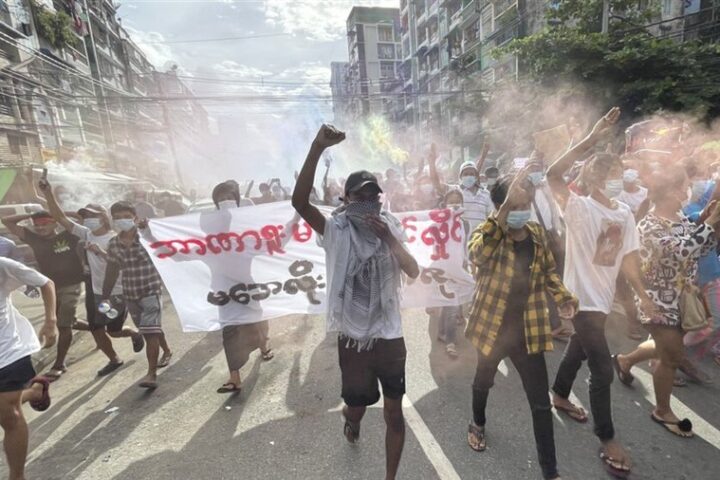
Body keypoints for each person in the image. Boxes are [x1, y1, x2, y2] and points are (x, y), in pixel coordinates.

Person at [292, 124, 419, 480]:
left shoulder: (390, 226)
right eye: (360, 197)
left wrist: (390, 240)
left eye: (374, 197)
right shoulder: (337, 230)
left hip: (390, 336)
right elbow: (300, 203)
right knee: (359, 404)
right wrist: (317, 147)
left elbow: (414, 270)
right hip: (353, 338)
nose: (369, 204)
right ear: (346, 200)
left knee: (394, 413)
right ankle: (352, 417)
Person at [546, 107, 659, 478]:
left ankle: (560, 393)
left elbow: (628, 260)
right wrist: (592, 136)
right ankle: (606, 436)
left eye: (616, 174)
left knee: (577, 352)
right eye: (608, 174)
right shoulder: (577, 208)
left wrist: (640, 297)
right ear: (593, 179)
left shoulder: (625, 214)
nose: (614, 180)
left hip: (603, 300)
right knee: (601, 367)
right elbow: (552, 175)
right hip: (579, 301)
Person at [465, 169, 577, 480]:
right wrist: (501, 215)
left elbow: (549, 272)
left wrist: (563, 297)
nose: (522, 211)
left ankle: (550, 471)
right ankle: (477, 422)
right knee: (483, 381)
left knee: (541, 404)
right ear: (501, 207)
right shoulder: (486, 234)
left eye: (525, 204)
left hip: (529, 330)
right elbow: (478, 255)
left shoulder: (536, 234)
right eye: (514, 206)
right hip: (493, 328)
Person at [612, 166, 720, 438]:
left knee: (666, 347)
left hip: (682, 298)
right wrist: (707, 226)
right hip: (656, 300)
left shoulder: (680, 217)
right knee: (672, 355)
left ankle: (625, 361)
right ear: (671, 191)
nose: (687, 191)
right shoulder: (649, 224)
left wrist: (709, 226)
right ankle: (662, 410)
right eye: (684, 186)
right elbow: (681, 251)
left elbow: (699, 250)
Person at [40, 179, 145, 377]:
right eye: (85, 216)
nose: (88, 219)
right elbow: (60, 217)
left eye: (92, 215)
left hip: (117, 292)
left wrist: (100, 253)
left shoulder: (116, 238)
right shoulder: (86, 233)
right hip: (95, 291)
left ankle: (132, 333)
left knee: (113, 330)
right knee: (96, 327)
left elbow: (125, 265)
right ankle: (114, 359)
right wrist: (48, 194)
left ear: (104, 218)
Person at [2, 210, 88, 381]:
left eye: (45, 223)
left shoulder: (69, 235)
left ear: (54, 223)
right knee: (68, 321)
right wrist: (30, 215)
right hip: (49, 286)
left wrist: (55, 213)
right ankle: (97, 327)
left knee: (63, 325)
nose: (41, 228)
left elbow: (82, 218)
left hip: (72, 284)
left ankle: (59, 364)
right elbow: (7, 221)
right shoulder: (34, 239)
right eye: (37, 225)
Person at [209, 181, 274, 394]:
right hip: (223, 288)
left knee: (256, 320)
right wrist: (148, 234)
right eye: (220, 200)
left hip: (247, 283)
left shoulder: (248, 224)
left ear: (236, 199)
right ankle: (234, 377)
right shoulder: (210, 227)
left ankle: (264, 345)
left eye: (228, 198)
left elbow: (269, 240)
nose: (224, 202)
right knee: (229, 329)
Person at [102, 202, 172, 389]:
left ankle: (151, 374)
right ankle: (166, 350)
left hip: (151, 290)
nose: (121, 220)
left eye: (125, 216)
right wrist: (105, 296)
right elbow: (112, 270)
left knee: (149, 333)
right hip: (130, 294)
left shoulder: (146, 236)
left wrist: (149, 228)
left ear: (134, 216)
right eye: (117, 217)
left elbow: (166, 248)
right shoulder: (114, 244)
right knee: (151, 328)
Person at [0, 257, 57, 480]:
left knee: (9, 416)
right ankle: (34, 391)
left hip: (7, 351)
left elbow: (45, 283)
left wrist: (50, 320)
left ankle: (17, 476)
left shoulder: (2, 264)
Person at [429, 145, 494, 234]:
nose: (469, 176)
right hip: (459, 239)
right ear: (460, 176)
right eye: (466, 174)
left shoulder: (486, 194)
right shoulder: (454, 191)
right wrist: (431, 163)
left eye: (471, 174)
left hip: (479, 241)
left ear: (476, 176)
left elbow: (492, 217)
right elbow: (436, 183)